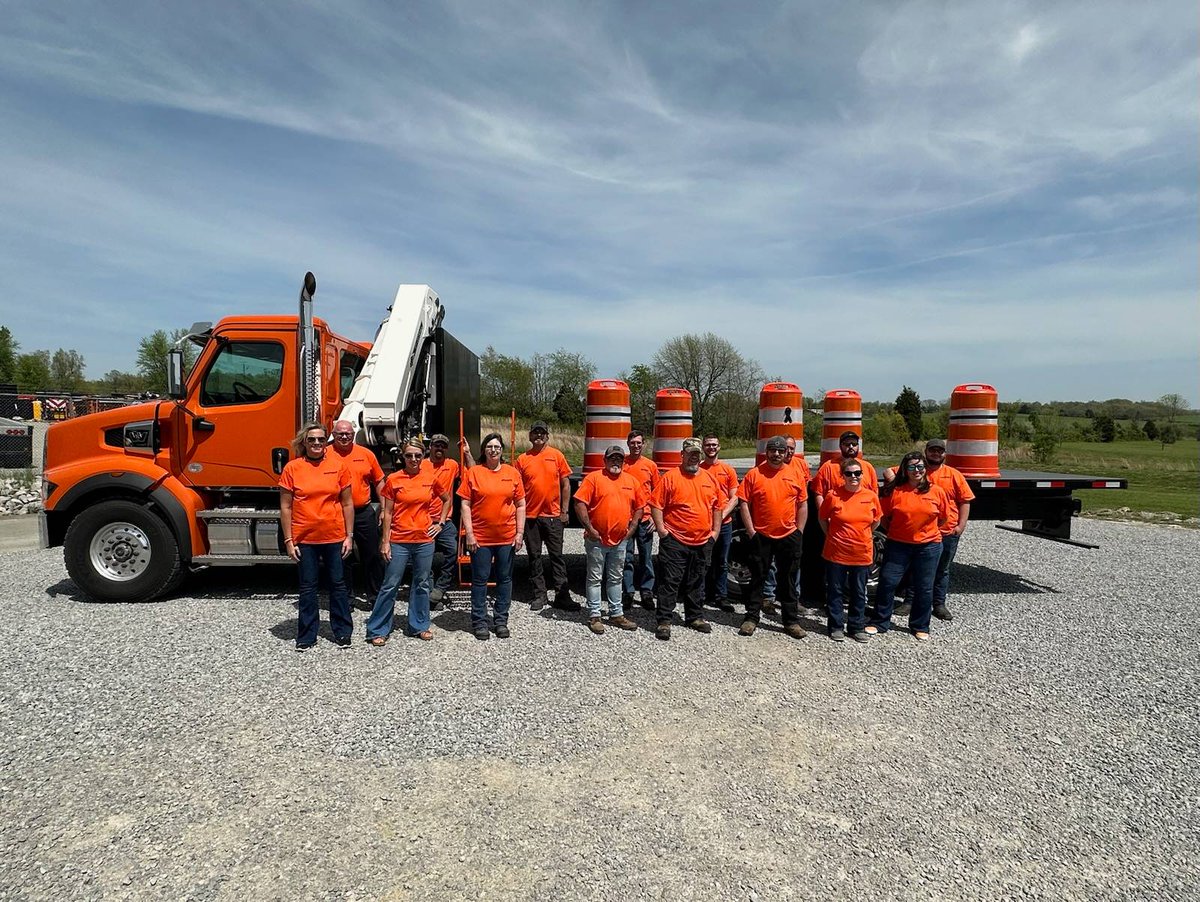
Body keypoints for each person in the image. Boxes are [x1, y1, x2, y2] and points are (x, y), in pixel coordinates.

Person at [366, 438, 449, 645]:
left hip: (424, 540)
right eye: (409, 455)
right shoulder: (394, 479)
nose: (413, 459)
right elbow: (387, 512)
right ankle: (378, 628)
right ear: (402, 457)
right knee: (390, 584)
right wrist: (385, 541)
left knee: (421, 584)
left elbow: (447, 499)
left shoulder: (430, 478)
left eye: (417, 455)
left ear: (423, 457)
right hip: (399, 540)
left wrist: (440, 523)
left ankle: (419, 625)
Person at [278, 423, 354, 650]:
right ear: (304, 442)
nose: (317, 444)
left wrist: (349, 536)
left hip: (334, 537)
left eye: (321, 439)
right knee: (307, 587)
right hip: (305, 539)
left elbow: (347, 503)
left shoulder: (338, 466)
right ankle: (307, 635)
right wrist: (289, 541)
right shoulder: (292, 469)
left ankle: (342, 632)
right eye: (312, 440)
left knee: (338, 586)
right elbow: (286, 508)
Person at [867, 452, 950, 641]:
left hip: (928, 546)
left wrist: (925, 533)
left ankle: (920, 625)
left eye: (920, 466)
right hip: (898, 545)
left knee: (924, 587)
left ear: (925, 469)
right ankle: (880, 622)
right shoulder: (894, 491)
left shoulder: (937, 491)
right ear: (905, 469)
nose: (917, 471)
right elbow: (884, 518)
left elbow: (943, 518)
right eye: (912, 467)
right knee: (888, 582)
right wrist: (900, 531)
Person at [736, 434, 809, 640]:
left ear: (786, 453)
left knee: (788, 580)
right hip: (761, 536)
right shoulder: (754, 474)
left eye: (780, 451)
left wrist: (799, 530)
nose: (776, 454)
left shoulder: (795, 474)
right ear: (766, 452)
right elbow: (744, 503)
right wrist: (751, 531)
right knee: (758, 578)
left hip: (789, 535)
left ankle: (791, 621)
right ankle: (751, 618)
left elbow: (803, 504)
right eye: (772, 450)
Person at [650, 437, 722, 640]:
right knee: (670, 581)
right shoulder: (670, 477)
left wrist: (715, 532)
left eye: (696, 455)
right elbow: (656, 505)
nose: (693, 458)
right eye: (690, 454)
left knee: (697, 580)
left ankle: (695, 617)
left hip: (702, 541)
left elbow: (718, 506)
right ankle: (664, 620)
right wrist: (662, 530)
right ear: (682, 455)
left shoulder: (709, 479)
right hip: (675, 540)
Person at [458, 433, 526, 640]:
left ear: (502, 450)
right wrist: (469, 534)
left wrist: (519, 533)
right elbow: (465, 504)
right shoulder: (474, 473)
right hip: (480, 539)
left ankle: (500, 621)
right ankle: (479, 621)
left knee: (505, 580)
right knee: (480, 580)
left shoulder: (512, 473)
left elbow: (521, 504)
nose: (493, 450)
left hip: (506, 537)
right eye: (489, 446)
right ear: (484, 450)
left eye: (497, 447)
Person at [573, 445, 643, 634]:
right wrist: (589, 528)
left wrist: (633, 527)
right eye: (612, 458)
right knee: (595, 577)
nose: (616, 462)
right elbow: (579, 502)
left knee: (615, 577)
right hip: (596, 539)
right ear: (604, 461)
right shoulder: (594, 478)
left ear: (623, 461)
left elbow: (640, 506)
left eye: (619, 459)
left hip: (620, 540)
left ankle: (616, 614)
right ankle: (595, 615)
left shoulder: (631, 481)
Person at [818, 456, 882, 643]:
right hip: (836, 552)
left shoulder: (870, 496)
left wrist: (863, 534)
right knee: (835, 591)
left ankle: (856, 626)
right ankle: (836, 626)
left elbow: (876, 521)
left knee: (858, 592)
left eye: (857, 473)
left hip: (861, 553)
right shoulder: (833, 495)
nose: (853, 476)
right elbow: (823, 518)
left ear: (862, 475)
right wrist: (831, 534)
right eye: (849, 473)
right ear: (842, 476)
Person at [515, 421, 575, 612]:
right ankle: (539, 594)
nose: (539, 436)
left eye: (542, 433)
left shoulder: (557, 455)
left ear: (547, 436)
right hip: (531, 517)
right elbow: (516, 490)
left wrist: (564, 511)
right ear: (530, 436)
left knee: (557, 556)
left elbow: (566, 485)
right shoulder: (522, 459)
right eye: (535, 433)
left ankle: (562, 595)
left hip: (553, 516)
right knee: (534, 557)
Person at [328, 419, 385, 599]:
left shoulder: (366, 454)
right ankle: (346, 598)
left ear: (353, 434)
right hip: (336, 513)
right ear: (333, 434)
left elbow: (379, 481)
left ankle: (375, 596)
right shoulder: (325, 454)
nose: (344, 437)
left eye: (348, 434)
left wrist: (384, 508)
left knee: (373, 555)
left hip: (363, 512)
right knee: (342, 556)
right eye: (340, 434)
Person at [922, 438, 974, 621]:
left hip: (947, 531)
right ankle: (910, 601)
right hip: (922, 531)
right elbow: (892, 473)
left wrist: (961, 526)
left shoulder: (954, 475)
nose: (936, 454)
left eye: (940, 451)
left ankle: (939, 604)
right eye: (932, 450)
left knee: (942, 569)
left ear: (945, 454)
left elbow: (965, 500)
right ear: (926, 451)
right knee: (917, 568)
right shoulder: (918, 471)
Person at [423, 433, 472, 610]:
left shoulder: (451, 465)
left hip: (444, 521)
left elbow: (473, 473)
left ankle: (439, 589)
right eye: (436, 445)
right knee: (424, 557)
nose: (439, 449)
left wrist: (466, 453)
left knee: (453, 551)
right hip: (424, 521)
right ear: (430, 447)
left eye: (443, 446)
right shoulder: (420, 465)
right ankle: (429, 595)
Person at [700, 434, 739, 613]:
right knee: (703, 560)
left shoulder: (727, 469)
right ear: (703, 448)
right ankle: (701, 595)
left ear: (719, 447)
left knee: (722, 561)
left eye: (714, 445)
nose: (711, 448)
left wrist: (722, 514)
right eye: (708, 445)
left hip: (724, 523)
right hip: (703, 523)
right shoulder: (698, 468)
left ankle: (721, 597)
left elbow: (735, 497)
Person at [622, 429, 659, 611]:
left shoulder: (650, 466)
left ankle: (646, 592)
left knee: (646, 558)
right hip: (627, 520)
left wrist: (654, 515)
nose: (635, 446)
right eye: (632, 443)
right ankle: (628, 592)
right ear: (628, 445)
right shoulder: (622, 464)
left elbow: (657, 493)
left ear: (643, 444)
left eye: (638, 443)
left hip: (644, 519)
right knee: (626, 558)